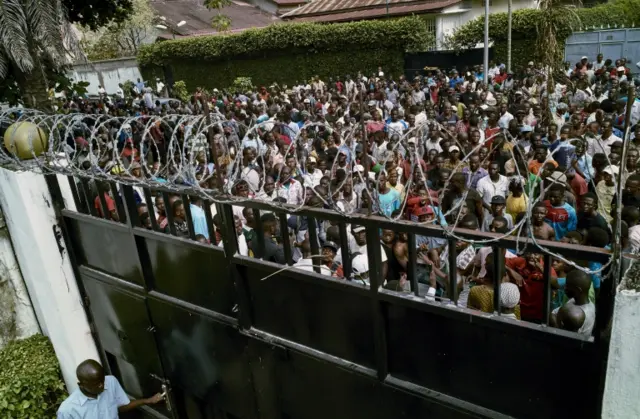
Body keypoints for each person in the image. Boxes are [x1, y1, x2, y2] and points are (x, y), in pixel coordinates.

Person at [57, 359, 164, 419]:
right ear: (81, 384)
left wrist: (147, 401)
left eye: (102, 380)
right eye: (96, 384)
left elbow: (121, 406)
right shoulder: (67, 410)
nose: (102, 385)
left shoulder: (111, 381)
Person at [551, 270, 595, 336]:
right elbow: (553, 313)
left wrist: (556, 324)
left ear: (578, 290)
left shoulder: (583, 315)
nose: (565, 288)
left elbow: (567, 338)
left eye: (568, 286)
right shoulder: (574, 300)